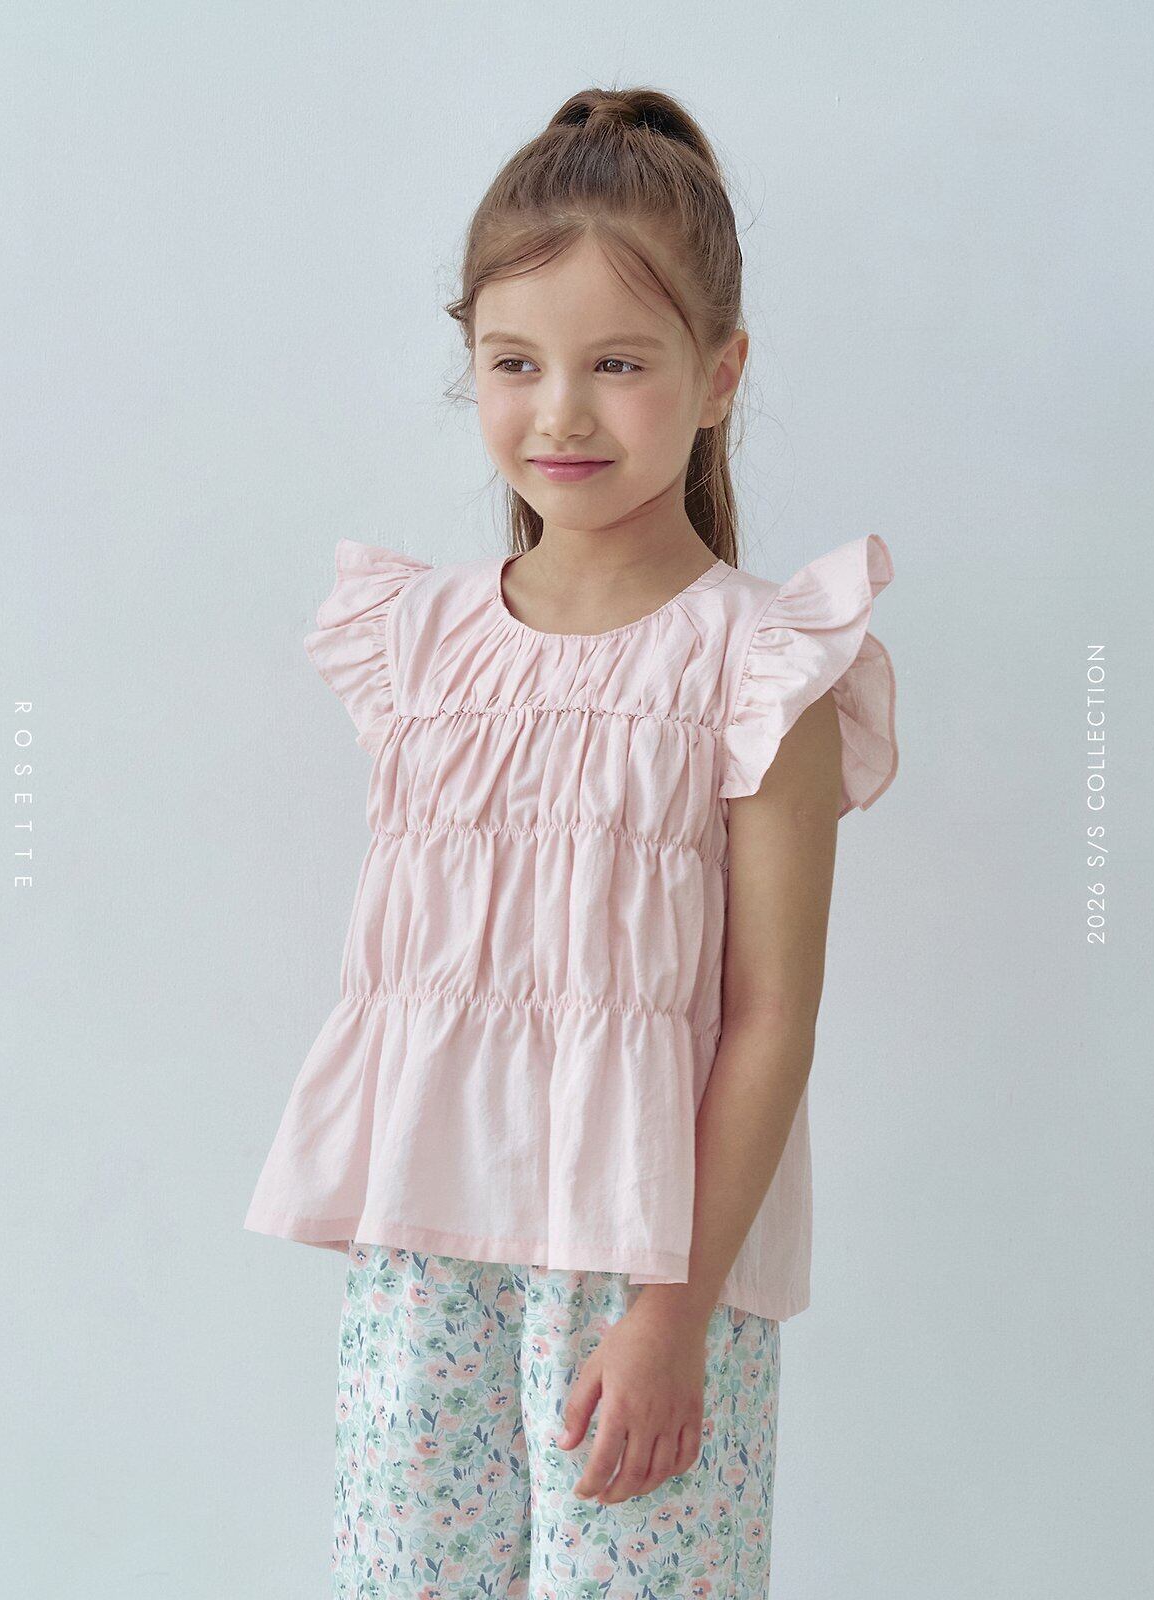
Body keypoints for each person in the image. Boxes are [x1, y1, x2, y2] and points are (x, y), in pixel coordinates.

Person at [245, 83, 899, 1599]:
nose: (561, 413)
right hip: (425, 1257)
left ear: (719, 374)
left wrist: (674, 1314)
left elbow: (771, 1017)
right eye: (513, 363)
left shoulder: (762, 664)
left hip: (652, 1265)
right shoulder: (415, 643)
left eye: (618, 362)